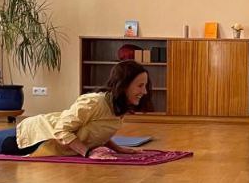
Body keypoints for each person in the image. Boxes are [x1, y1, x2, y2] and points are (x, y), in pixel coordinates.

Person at [12, 60, 150, 158]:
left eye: (145, 86)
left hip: (54, 143)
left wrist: (118, 149)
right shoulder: (94, 102)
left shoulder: (118, 107)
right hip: (33, 138)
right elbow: (61, 130)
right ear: (124, 85)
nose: (145, 91)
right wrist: (88, 153)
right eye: (140, 86)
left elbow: (98, 132)